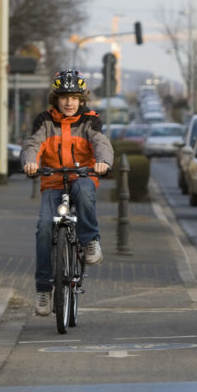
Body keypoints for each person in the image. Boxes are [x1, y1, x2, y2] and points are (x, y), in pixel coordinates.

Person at [21, 69, 114, 316]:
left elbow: (101, 143)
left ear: (82, 99)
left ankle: (91, 240)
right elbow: (32, 144)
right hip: (52, 180)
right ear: (56, 99)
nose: (69, 102)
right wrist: (30, 162)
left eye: (74, 97)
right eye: (64, 97)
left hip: (83, 176)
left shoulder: (90, 119)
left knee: (84, 192)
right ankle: (43, 288)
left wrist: (103, 162)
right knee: (43, 228)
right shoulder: (44, 120)